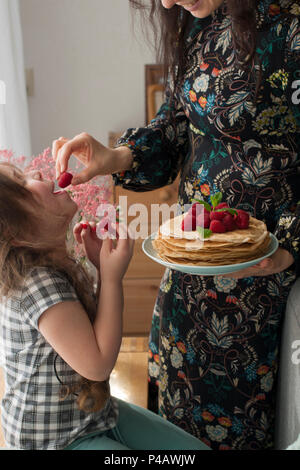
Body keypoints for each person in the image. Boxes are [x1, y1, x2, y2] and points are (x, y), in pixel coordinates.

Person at [53, 0, 300, 450]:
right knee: (175, 425)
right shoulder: (198, 22)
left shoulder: (291, 25)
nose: (167, 3)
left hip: (257, 287)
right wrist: (118, 158)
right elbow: (177, 124)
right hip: (190, 270)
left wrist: (287, 250)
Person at [0, 162, 210, 451]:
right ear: (16, 233)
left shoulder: (52, 267)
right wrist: (111, 278)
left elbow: (90, 334)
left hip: (93, 415)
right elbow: (97, 364)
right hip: (56, 442)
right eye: (23, 183)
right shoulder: (37, 285)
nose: (35, 173)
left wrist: (102, 271)